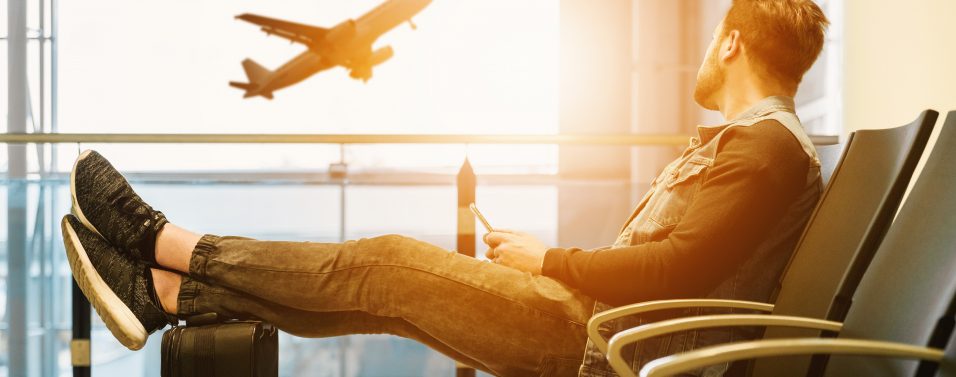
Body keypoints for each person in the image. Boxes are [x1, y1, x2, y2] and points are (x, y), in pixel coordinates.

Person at [61, 1, 829, 375]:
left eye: (709, 42)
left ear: (730, 40)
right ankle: (163, 296)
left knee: (382, 262)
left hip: (596, 343)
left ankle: (163, 244)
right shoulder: (757, 148)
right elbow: (673, 264)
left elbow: (673, 273)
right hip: (598, 328)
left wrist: (547, 260)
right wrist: (549, 262)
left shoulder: (764, 151)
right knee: (381, 294)